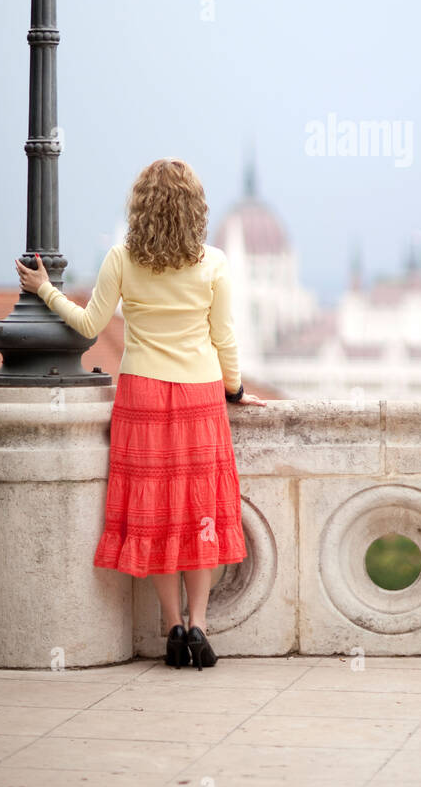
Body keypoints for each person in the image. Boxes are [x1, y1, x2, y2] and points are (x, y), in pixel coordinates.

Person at [15, 158, 266, 671]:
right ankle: (200, 626)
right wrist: (235, 391)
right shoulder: (214, 263)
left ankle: (172, 627)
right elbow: (224, 339)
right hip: (199, 397)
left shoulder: (122, 258)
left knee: (154, 514)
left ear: (141, 208)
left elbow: (88, 324)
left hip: (142, 397)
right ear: (196, 208)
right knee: (198, 513)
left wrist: (44, 289)